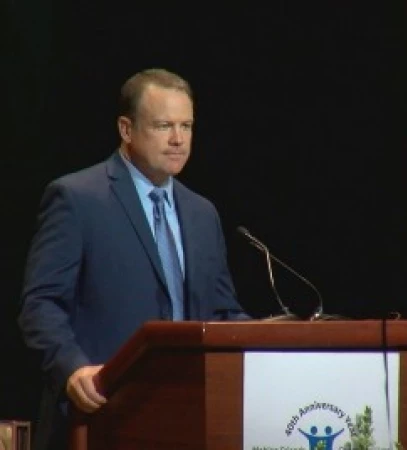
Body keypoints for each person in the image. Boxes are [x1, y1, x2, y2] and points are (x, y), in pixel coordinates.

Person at [17, 67, 251, 450]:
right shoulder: (77, 198)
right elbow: (40, 304)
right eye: (163, 126)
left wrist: (272, 338)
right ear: (126, 129)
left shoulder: (202, 213)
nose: (178, 139)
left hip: (189, 416)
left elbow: (222, 312)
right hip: (103, 415)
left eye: (186, 126)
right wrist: (72, 368)